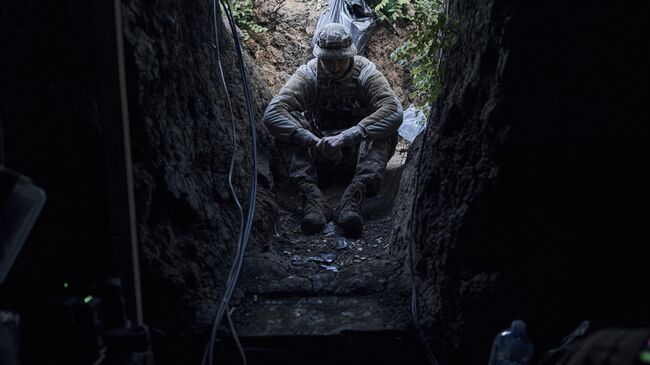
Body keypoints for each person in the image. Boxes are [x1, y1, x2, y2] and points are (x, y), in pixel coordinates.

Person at [263, 23, 403, 236]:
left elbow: (393, 110)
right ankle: (313, 200)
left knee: (383, 130)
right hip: (320, 151)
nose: (335, 66)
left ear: (351, 55)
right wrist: (311, 140)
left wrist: (348, 136)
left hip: (356, 151)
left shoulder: (365, 72)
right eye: (329, 60)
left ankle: (353, 199)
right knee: (287, 125)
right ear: (320, 56)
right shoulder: (309, 74)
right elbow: (273, 113)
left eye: (341, 59)